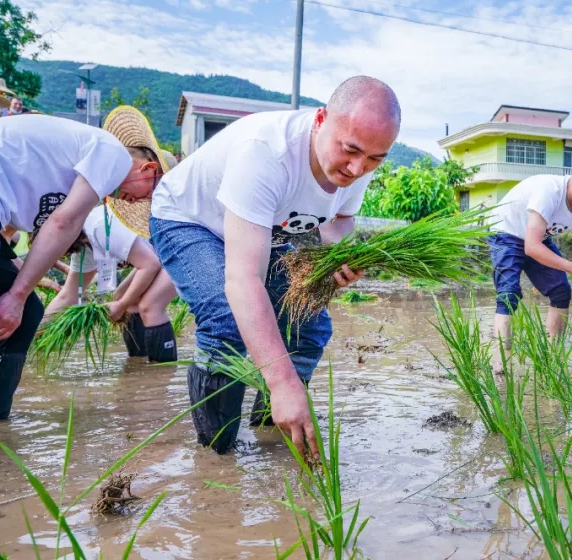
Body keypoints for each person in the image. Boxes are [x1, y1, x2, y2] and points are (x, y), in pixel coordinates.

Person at [149, 76, 399, 454]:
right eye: (350, 150)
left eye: (375, 159)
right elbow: (243, 279)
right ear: (321, 120)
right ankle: (217, 455)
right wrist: (282, 382)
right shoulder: (266, 153)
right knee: (227, 319)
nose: (356, 167)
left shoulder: (360, 162)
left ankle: (274, 432)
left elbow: (340, 220)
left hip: (263, 230)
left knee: (308, 325)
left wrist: (339, 254)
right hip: (191, 219)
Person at [0, 110, 167, 423]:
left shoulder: (81, 164)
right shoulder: (112, 153)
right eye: (148, 195)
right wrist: (16, 295)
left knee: (24, 317)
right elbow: (63, 222)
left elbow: (3, 233)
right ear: (148, 169)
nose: (135, 202)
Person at [45, 120, 179, 362]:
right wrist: (34, 334)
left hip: (176, 249)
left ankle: (162, 377)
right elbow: (69, 295)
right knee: (123, 296)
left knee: (148, 305)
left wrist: (122, 304)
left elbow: (150, 265)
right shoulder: (82, 246)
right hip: (159, 252)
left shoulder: (97, 226)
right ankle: (138, 367)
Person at [488, 160, 572, 353]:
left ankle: (554, 355)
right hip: (506, 233)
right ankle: (501, 362)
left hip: (537, 238)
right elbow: (532, 247)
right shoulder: (549, 191)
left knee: (561, 291)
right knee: (508, 294)